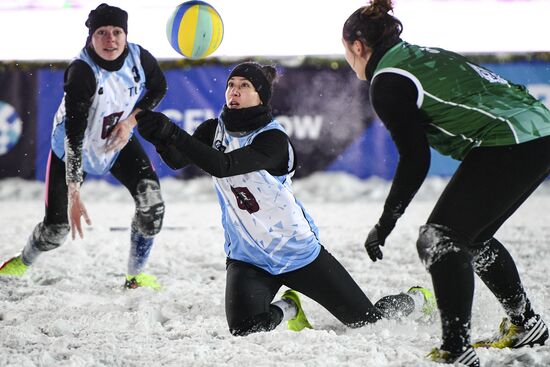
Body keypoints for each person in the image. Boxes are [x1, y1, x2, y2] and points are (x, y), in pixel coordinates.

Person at [134, 61, 436, 336]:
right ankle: (289, 307)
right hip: (247, 256)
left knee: (367, 323)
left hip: (296, 252)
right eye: (231, 85)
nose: (234, 91)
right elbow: (176, 160)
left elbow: (222, 166)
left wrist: (171, 131)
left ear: (261, 96)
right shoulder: (214, 129)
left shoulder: (273, 138)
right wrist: (157, 136)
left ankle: (414, 298)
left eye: (244, 86)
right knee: (245, 328)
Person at [341, 1, 550, 365]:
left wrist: (387, 221)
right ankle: (524, 323)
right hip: (536, 131)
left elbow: (416, 158)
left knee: (439, 237)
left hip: (514, 138)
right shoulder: (417, 55)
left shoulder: (387, 79)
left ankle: (455, 350)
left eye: (345, 50)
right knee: (471, 238)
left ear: (357, 46)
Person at [0, 3, 167, 290]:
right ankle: (22, 262)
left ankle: (135, 277)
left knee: (152, 206)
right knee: (56, 232)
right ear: (91, 37)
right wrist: (74, 190)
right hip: (73, 148)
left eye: (117, 32)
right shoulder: (81, 71)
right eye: (102, 32)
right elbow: (75, 135)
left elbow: (158, 88)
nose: (110, 39)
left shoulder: (140, 58)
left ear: (126, 35)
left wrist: (130, 123)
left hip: (116, 141)